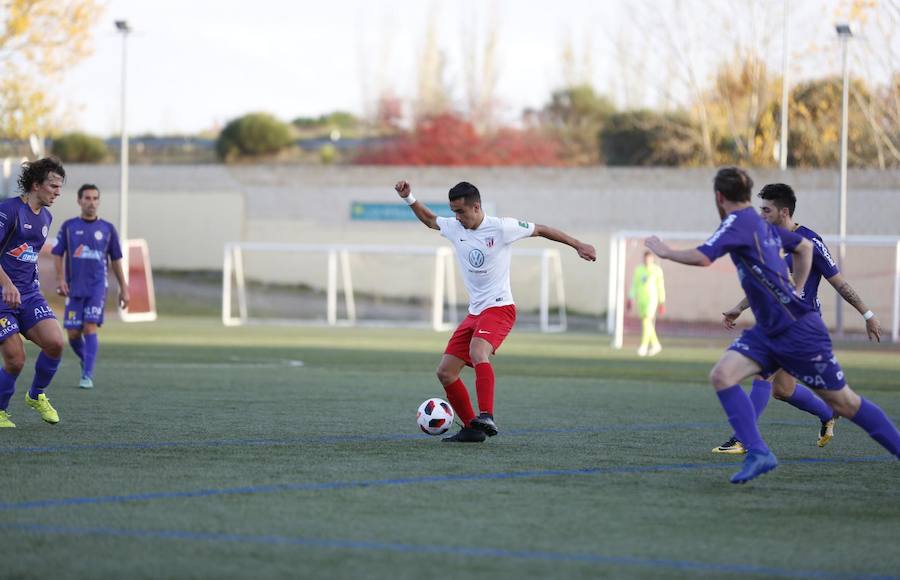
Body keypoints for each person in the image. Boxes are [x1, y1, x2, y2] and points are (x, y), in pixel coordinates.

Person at [645, 167, 900, 484]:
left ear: (719, 197)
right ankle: (758, 451)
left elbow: (704, 257)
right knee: (724, 375)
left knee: (845, 403)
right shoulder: (756, 223)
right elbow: (799, 250)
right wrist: (781, 292)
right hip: (768, 331)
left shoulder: (737, 222)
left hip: (798, 331)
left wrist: (665, 251)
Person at [395, 180, 596, 442]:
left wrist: (577, 244)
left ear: (476, 207)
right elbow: (431, 220)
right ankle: (472, 429)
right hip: (475, 313)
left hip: (500, 308)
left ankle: (486, 414)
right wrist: (409, 197)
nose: (456, 217)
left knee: (478, 351)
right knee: (445, 372)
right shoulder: (455, 228)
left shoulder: (502, 228)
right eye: (453, 212)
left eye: (461, 211)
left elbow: (542, 229)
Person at [712, 183, 883, 455]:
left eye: (766, 210)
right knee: (783, 389)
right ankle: (827, 412)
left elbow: (839, 283)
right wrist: (739, 307)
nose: (761, 215)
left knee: (762, 375)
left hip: (800, 323)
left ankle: (743, 438)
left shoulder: (810, 242)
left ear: (783, 212)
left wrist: (868, 314)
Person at [0, 157, 68, 428]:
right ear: (36, 184)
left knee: (56, 343)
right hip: (2, 296)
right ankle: (0, 410)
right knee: (16, 360)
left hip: (28, 295)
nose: (57, 192)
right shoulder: (8, 211)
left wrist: (29, 285)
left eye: (60, 187)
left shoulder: (46, 217)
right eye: (53, 185)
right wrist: (7, 284)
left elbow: (28, 257)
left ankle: (36, 394)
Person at [52, 184, 129, 389]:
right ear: (79, 201)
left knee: (89, 326)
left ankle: (87, 375)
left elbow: (116, 261)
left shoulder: (107, 229)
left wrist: (124, 287)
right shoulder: (68, 227)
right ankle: (86, 360)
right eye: (87, 198)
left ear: (99, 201)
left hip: (97, 288)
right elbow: (57, 253)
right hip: (74, 288)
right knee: (73, 334)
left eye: (95, 198)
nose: (91, 202)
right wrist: (60, 279)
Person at [627, 251, 666, 356]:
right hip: (641, 300)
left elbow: (660, 286)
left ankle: (643, 347)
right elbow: (634, 285)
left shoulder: (657, 270)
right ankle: (656, 345)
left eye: (649, 259)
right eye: (645, 259)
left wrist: (661, 302)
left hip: (652, 299)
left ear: (652, 259)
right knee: (646, 323)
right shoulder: (639, 270)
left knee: (646, 321)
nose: (647, 261)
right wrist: (631, 297)